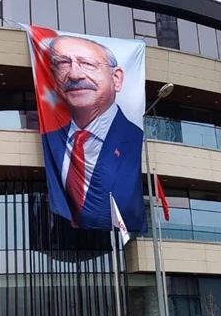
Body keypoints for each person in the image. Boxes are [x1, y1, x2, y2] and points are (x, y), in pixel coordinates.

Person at [42, 35, 146, 232]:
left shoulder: (134, 140)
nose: (74, 74)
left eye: (88, 64)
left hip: (113, 243)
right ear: (53, 76)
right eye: (63, 63)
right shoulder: (50, 140)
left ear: (116, 78)